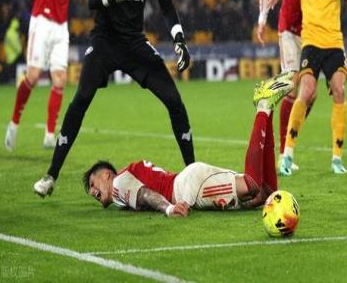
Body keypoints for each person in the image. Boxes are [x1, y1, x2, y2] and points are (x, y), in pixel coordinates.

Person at [33, 0, 195, 198]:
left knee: (175, 100)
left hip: (134, 43)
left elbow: (167, 5)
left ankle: (193, 174)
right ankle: (51, 175)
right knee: (81, 98)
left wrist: (179, 39)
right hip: (104, 41)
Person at [83, 72, 295, 215]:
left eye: (93, 184)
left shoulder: (118, 184)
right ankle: (269, 110)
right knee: (266, 194)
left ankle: (263, 105)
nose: (92, 192)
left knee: (251, 184)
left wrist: (169, 208)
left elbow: (145, 195)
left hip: (187, 188)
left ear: (106, 175)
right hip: (189, 181)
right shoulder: (122, 193)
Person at [4, 0, 119, 151]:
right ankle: (13, 124)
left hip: (60, 26)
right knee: (33, 75)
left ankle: (49, 134)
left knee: (59, 79)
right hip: (42, 21)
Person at [270, 0, 347, 176]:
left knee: (339, 90)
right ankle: (287, 154)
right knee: (306, 91)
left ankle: (337, 158)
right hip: (312, 41)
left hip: (334, 42)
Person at [257, 0, 316, 172]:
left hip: (313, 31)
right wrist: (262, 18)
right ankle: (285, 154)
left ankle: (268, 90)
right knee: (293, 82)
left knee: (310, 95)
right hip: (289, 28)